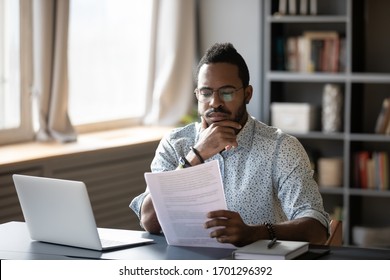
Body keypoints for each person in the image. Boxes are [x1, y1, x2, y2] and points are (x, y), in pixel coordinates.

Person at [130, 42, 329, 247]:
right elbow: (149, 221)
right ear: (197, 95)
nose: (215, 102)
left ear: (247, 94)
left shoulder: (281, 148)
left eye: (226, 92)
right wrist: (196, 155)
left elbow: (317, 229)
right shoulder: (175, 144)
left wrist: (255, 233)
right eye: (206, 93)